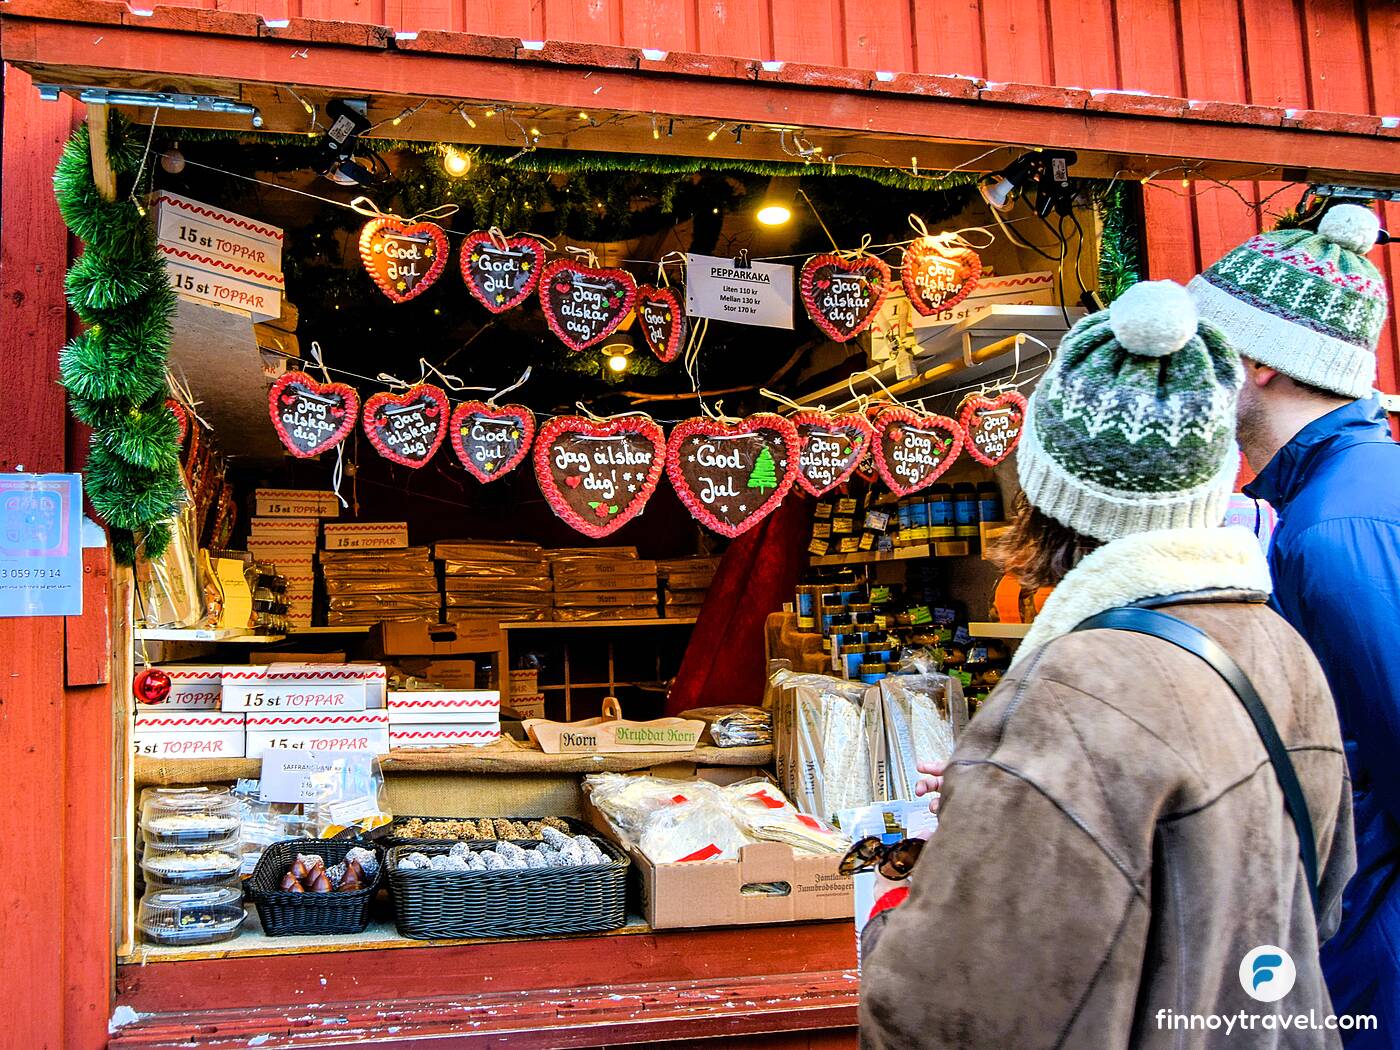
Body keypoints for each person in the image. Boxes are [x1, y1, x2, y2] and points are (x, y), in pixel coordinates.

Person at [859, 281, 1355, 1048]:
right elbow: (1318, 901)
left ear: (1048, 493)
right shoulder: (1279, 645)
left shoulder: (1074, 689)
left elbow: (957, 1011)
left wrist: (886, 933)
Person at [1190, 203, 1400, 1046]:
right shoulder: (1325, 500)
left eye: (1209, 350)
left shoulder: (1335, 529)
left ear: (1258, 363)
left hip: (1376, 944)